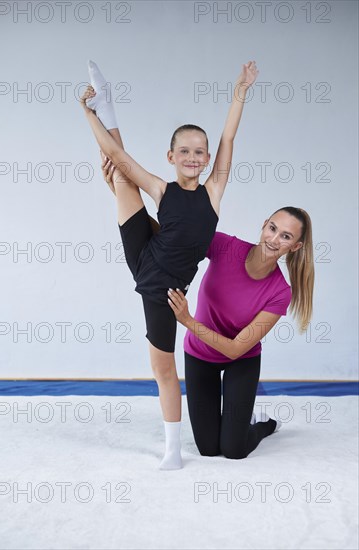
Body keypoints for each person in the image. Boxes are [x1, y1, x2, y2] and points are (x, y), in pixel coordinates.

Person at [80, 60, 259, 469]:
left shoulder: (213, 190)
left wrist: (241, 92)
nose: (193, 158)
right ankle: (105, 104)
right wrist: (86, 113)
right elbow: (114, 153)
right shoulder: (163, 189)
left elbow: (230, 136)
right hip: (145, 252)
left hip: (164, 289)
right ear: (171, 156)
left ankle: (172, 450)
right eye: (185, 152)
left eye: (200, 152)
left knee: (163, 368)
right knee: (120, 172)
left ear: (208, 157)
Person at [168, 207, 314, 459]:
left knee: (234, 450)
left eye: (286, 237)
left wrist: (187, 320)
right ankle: (235, 420)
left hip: (241, 361)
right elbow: (176, 240)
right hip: (200, 355)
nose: (274, 239)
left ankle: (263, 424)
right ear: (264, 224)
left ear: (295, 247)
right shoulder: (226, 246)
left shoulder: (280, 292)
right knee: (208, 449)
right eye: (273, 228)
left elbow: (236, 348)